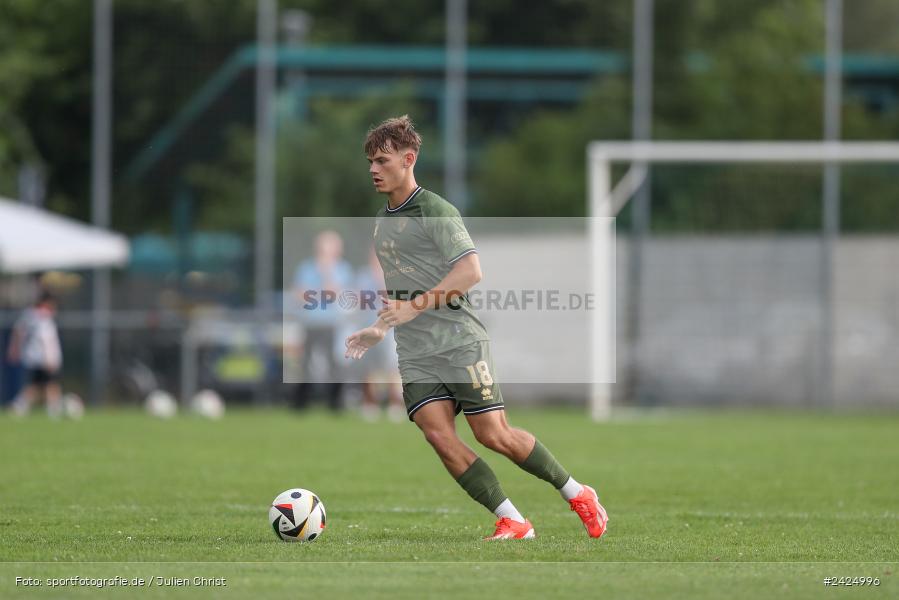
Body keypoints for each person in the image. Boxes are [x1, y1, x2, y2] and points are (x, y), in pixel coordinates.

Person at [344, 115, 608, 540]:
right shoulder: (382, 220)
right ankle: (513, 520)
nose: (373, 169)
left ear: (409, 159)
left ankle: (577, 492)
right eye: (370, 162)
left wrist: (414, 307)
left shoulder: (435, 211)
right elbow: (401, 292)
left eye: (382, 160)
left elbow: (471, 271)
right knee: (437, 434)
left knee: (493, 435)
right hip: (415, 351)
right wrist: (379, 327)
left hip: (458, 341)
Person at [293, 230, 353, 412]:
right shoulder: (306, 268)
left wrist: (326, 274)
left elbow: (339, 294)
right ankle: (300, 403)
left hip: (332, 323)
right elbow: (300, 295)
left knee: (335, 363)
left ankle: (335, 403)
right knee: (305, 363)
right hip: (310, 322)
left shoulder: (342, 269)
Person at [6, 292, 63, 418]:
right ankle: (53, 410)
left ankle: (20, 406)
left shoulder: (29, 315)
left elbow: (18, 331)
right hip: (42, 358)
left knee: (39, 385)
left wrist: (14, 349)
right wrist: (50, 358)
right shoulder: (42, 317)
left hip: (33, 357)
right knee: (48, 384)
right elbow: (45, 339)